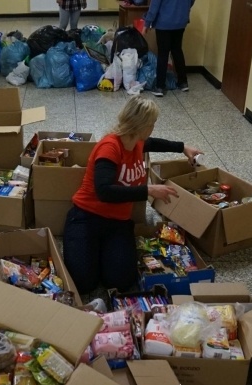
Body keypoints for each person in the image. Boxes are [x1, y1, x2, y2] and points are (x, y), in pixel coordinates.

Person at [63, 96, 204, 295]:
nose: (153, 128)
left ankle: (102, 251)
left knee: (121, 282)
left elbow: (155, 143)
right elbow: (104, 192)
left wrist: (183, 147)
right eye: (152, 124)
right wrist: (149, 190)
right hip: (87, 217)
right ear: (142, 126)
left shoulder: (136, 141)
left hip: (118, 222)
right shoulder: (110, 147)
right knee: (83, 283)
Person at [144, 0, 195, 97]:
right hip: (181, 21)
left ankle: (160, 87)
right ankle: (183, 82)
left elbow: (155, 4)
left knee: (163, 53)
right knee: (177, 50)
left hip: (164, 23)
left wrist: (147, 22)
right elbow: (191, 1)